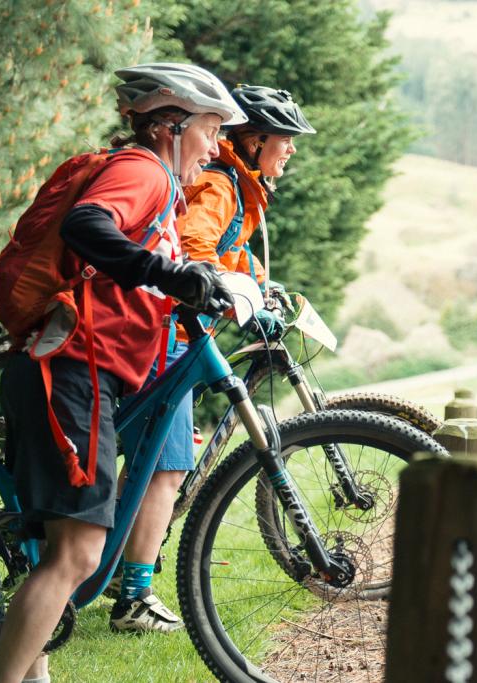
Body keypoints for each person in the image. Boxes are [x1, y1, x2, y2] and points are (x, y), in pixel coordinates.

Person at [0, 63, 243, 683]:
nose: (215, 147)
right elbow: (87, 227)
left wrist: (189, 283)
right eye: (211, 130)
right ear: (170, 125)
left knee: (58, 554)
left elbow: (129, 273)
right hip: (74, 373)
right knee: (77, 555)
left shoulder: (156, 182)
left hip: (68, 368)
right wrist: (167, 274)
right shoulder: (143, 171)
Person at [106, 84, 315, 634]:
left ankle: (116, 573)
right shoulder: (223, 185)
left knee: (154, 465)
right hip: (165, 334)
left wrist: (262, 288)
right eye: (285, 139)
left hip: (162, 331)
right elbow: (196, 249)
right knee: (166, 468)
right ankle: (133, 597)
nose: (290, 149)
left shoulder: (237, 187)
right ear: (254, 139)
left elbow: (228, 252)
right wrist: (227, 288)